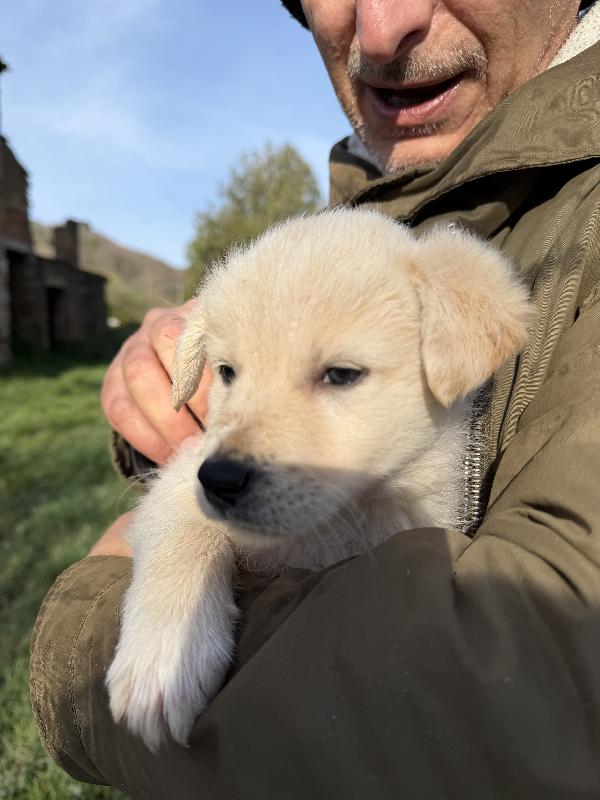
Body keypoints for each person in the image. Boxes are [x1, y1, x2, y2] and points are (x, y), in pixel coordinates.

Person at [30, 1, 600, 797]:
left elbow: (531, 690)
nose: (381, 24)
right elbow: (202, 461)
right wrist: (173, 402)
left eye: (337, 375)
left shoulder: (467, 277)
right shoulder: (359, 220)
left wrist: (85, 617)